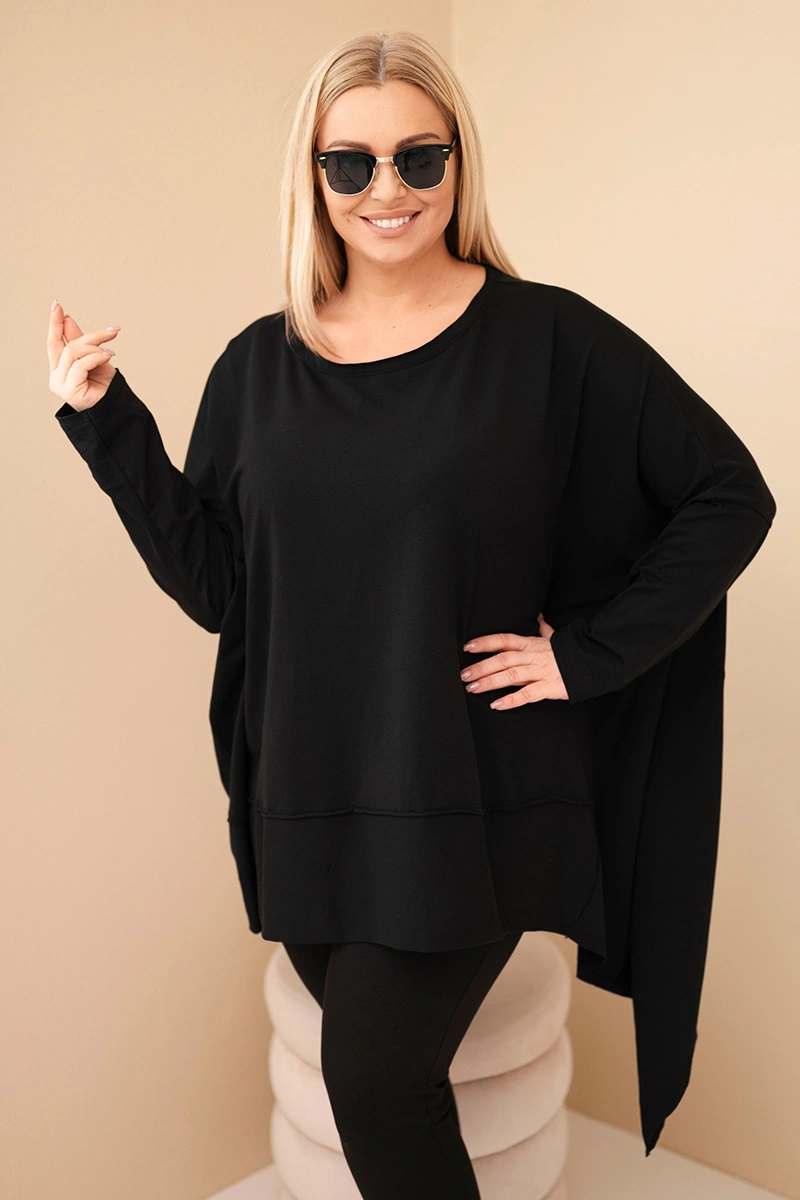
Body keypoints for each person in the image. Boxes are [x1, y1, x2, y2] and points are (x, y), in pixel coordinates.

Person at [48, 28, 776, 1198]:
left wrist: (588, 656)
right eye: (350, 163)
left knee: (375, 1081)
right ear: (314, 176)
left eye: (416, 157)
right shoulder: (257, 367)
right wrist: (105, 421)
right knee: (383, 1075)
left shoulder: (546, 339)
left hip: (472, 792)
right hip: (307, 796)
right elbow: (223, 591)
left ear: (456, 164)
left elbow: (727, 494)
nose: (385, 189)